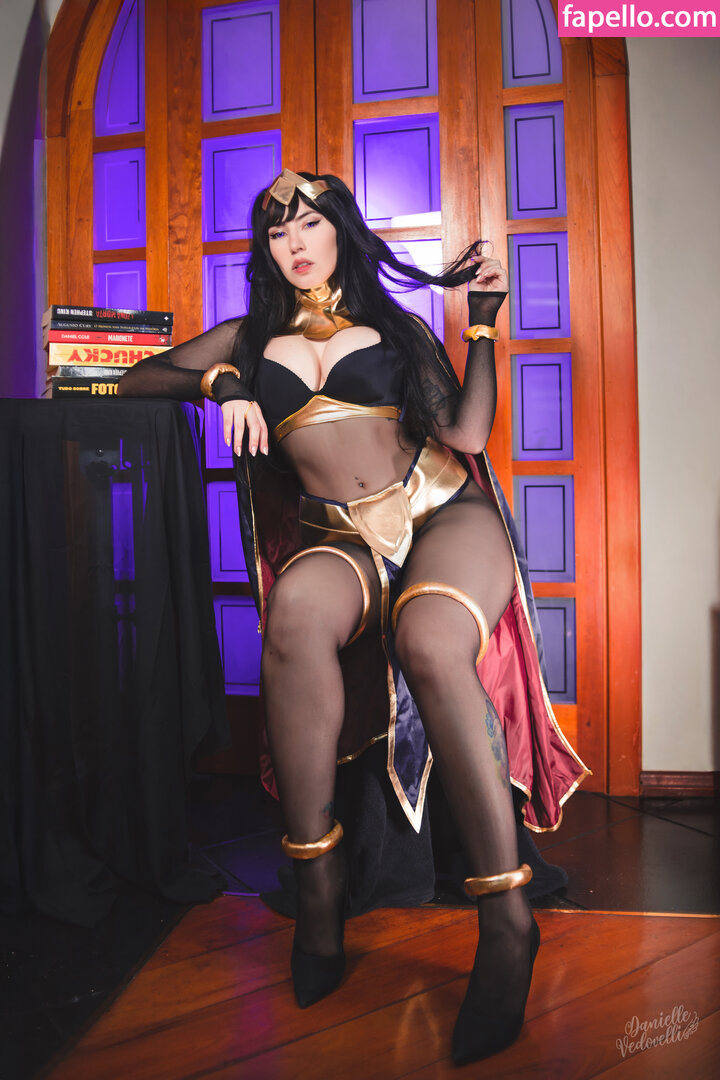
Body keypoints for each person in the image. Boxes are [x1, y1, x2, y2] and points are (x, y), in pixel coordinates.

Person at [119, 169, 589, 1065]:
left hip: (442, 514)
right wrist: (222, 384)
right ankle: (319, 883)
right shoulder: (248, 338)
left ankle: (506, 916)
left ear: (342, 231)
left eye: (310, 223)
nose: (294, 242)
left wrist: (481, 326)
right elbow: (141, 378)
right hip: (342, 537)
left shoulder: (396, 328)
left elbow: (467, 435)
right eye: (277, 231)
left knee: (429, 640)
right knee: (294, 615)